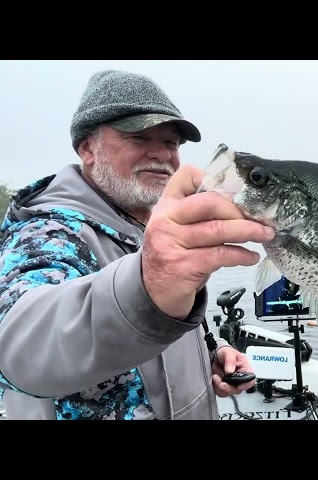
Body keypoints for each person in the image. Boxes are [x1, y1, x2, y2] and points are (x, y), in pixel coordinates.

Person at [0, 69, 275, 420]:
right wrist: (150, 283)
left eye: (171, 143)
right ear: (87, 148)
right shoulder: (47, 232)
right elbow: (17, 349)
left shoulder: (156, 228)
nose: (161, 154)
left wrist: (211, 353)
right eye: (139, 137)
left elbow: (158, 344)